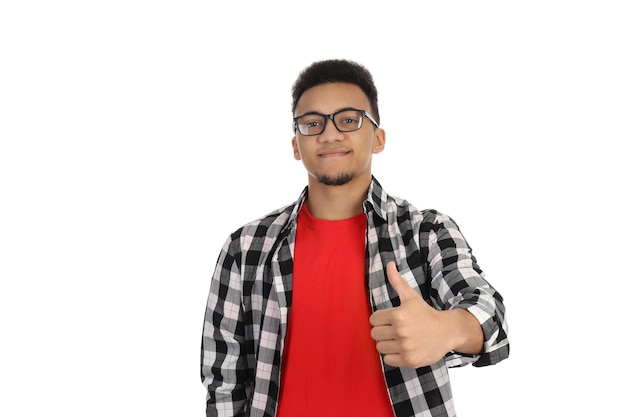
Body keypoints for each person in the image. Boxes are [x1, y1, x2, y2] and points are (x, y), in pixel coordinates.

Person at [201, 59, 509, 417]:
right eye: (312, 123)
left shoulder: (426, 231)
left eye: (349, 120)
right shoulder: (246, 247)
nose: (329, 134)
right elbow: (223, 378)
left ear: (377, 138)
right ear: (296, 145)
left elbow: (491, 314)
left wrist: (447, 328)